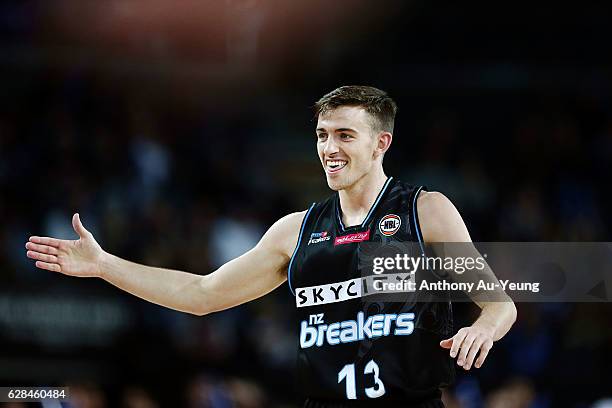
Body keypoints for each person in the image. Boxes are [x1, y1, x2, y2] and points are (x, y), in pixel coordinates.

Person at [25, 86, 516, 407]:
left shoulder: (424, 211)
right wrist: (105, 265)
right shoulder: (295, 231)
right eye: (322, 135)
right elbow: (201, 295)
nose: (329, 148)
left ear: (380, 144)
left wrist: (483, 329)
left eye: (345, 135)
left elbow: (499, 304)